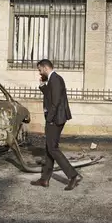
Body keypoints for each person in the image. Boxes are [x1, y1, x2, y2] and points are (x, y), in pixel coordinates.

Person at [30, 59, 82, 190]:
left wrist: (50, 119)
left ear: (45, 67)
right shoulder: (52, 80)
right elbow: (50, 96)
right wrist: (42, 85)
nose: (39, 72)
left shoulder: (56, 79)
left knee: (52, 148)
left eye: (40, 69)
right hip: (55, 117)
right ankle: (44, 179)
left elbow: (56, 102)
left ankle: (72, 175)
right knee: (49, 148)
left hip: (55, 119)